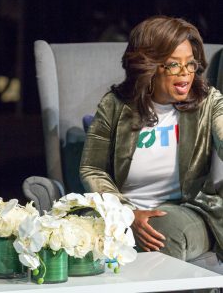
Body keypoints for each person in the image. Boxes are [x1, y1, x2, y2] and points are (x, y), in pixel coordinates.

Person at [80, 16, 223, 262]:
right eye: (173, 65)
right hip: (121, 210)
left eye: (190, 64)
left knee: (162, 231)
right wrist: (126, 214)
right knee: (73, 236)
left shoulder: (207, 101)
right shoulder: (115, 105)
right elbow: (92, 168)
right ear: (149, 65)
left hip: (187, 210)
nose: (185, 74)